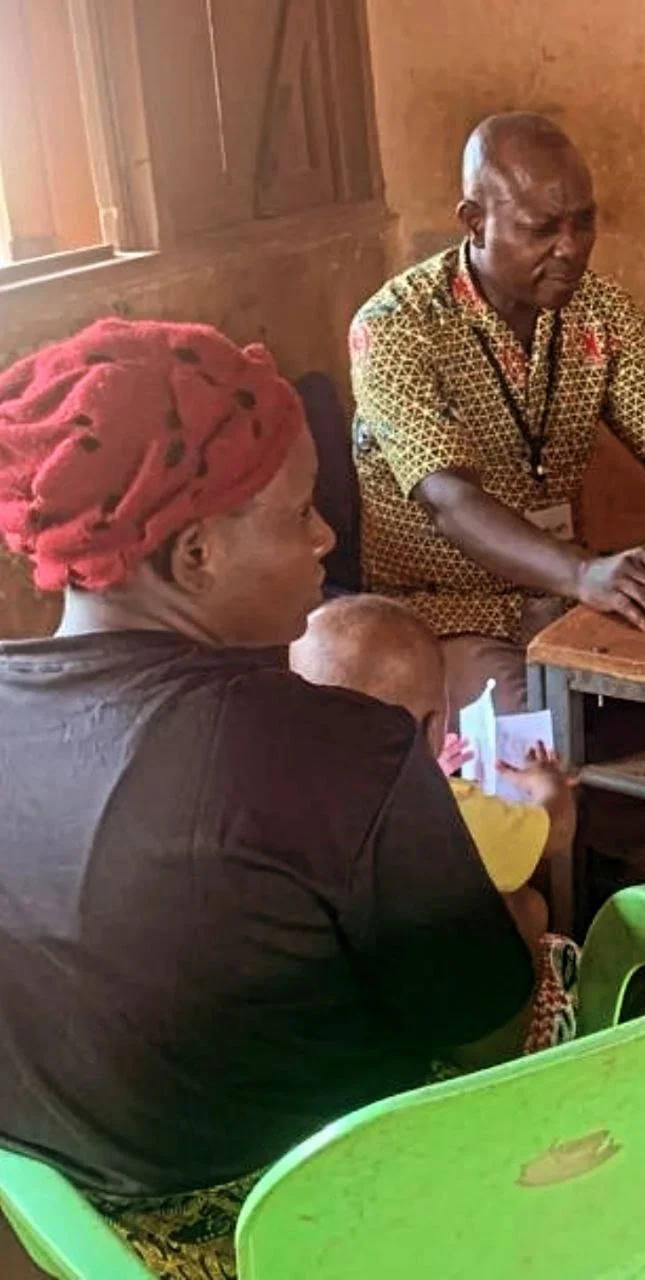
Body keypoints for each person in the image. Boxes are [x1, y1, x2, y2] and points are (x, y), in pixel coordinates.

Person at [0, 320, 549, 1279]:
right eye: (300, 514)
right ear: (197, 556)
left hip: (75, 1227)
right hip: (312, 1223)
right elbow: (485, 1028)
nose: (327, 537)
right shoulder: (338, 750)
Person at [350, 111, 645, 719]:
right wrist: (582, 574)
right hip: (443, 613)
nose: (570, 248)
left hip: (568, 593)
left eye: (584, 222)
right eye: (542, 227)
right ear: (474, 222)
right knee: (539, 743)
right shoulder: (396, 327)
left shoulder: (599, 309)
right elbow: (449, 501)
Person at [290, 593, 577, 945]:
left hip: (326, 971)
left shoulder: (277, 795)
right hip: (414, 981)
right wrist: (548, 784)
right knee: (529, 906)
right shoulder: (448, 810)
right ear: (434, 725)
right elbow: (556, 832)